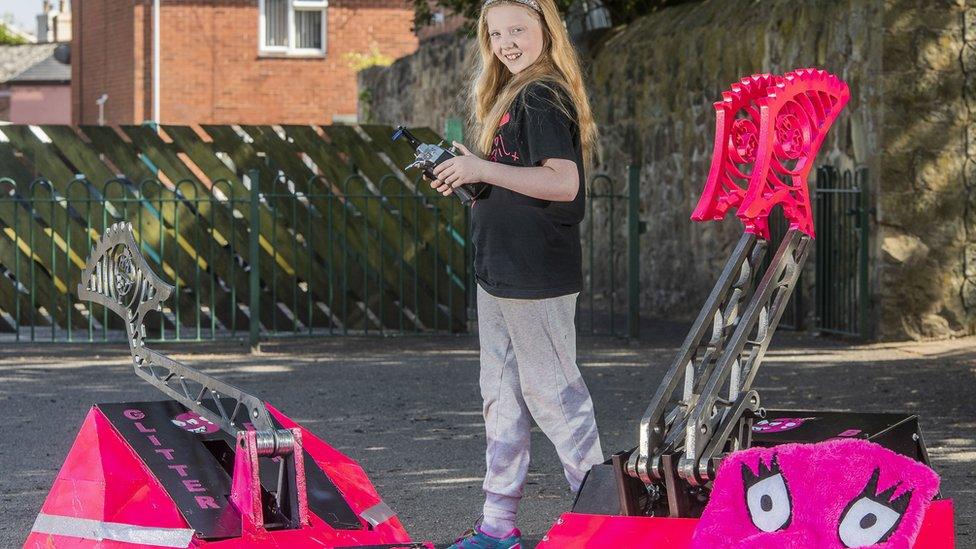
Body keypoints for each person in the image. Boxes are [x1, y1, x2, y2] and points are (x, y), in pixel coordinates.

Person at [428, 0, 604, 546]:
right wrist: (474, 179)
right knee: (500, 398)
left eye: (518, 29)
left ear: (546, 30)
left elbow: (562, 183)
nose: (506, 41)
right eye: (496, 32)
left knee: (555, 397)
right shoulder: (514, 94)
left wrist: (482, 167)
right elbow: (517, 182)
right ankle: (498, 527)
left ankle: (608, 525)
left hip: (534, 275)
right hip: (499, 273)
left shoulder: (542, 93)